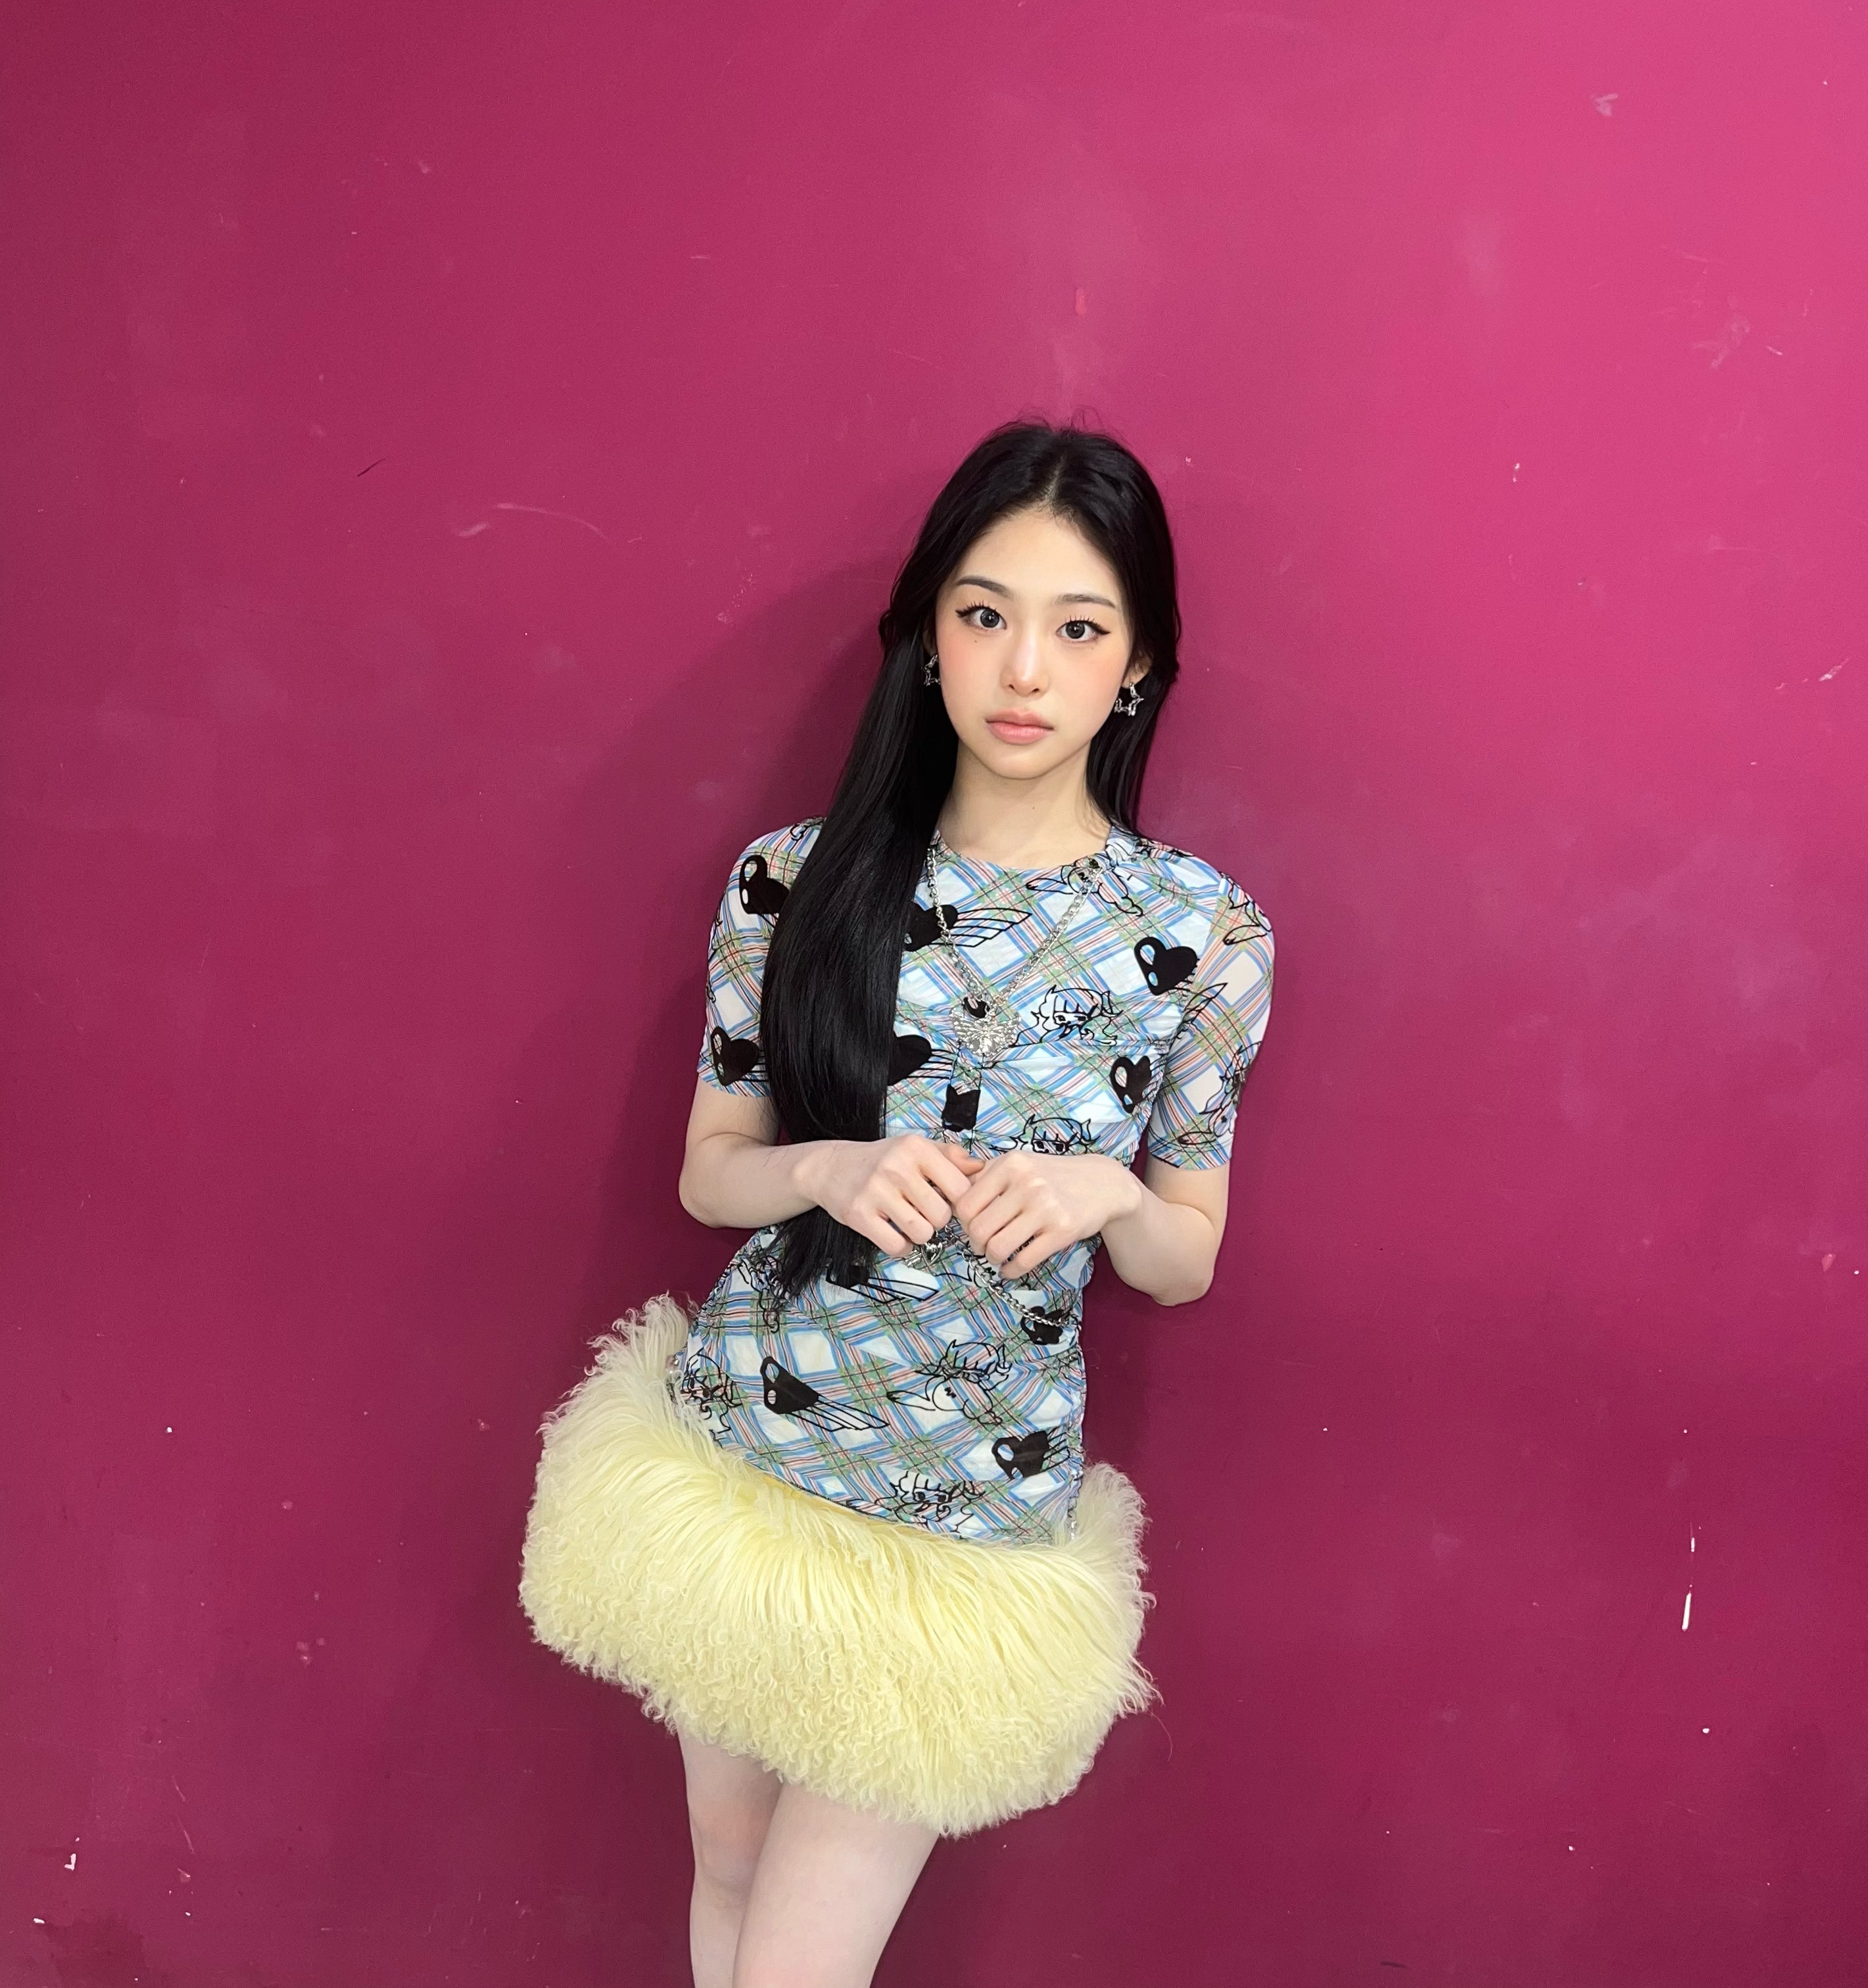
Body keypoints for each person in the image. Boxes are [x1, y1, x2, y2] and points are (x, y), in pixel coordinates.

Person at [520, 419, 1277, 1987]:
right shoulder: (795, 880)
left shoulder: (1204, 934)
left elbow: (1187, 1259)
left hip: (963, 1519)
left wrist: (1107, 1192)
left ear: (1139, 664)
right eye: (986, 614)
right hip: (750, 1461)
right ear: (931, 634)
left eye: (1080, 629)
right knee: (729, 1866)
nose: (1025, 669)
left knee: (805, 1960)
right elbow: (710, 1171)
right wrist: (825, 1166)